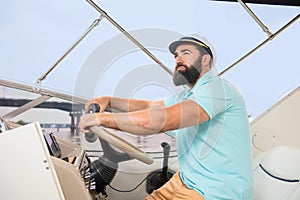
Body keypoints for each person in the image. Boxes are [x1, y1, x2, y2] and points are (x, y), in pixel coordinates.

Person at [78, 35, 253, 199]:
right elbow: (149, 106)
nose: (178, 60)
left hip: (216, 192)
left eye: (186, 53)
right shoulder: (188, 95)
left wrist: (100, 119)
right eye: (176, 55)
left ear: (205, 60)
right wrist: (108, 101)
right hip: (186, 180)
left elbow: (160, 120)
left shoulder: (216, 89)